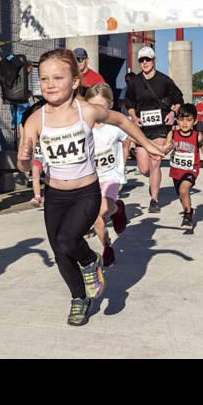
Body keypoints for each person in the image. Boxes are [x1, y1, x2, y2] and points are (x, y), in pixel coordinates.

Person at [17, 49, 165, 326]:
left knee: (67, 241)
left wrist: (147, 144)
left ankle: (90, 261)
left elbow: (122, 120)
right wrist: (24, 158)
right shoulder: (36, 119)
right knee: (60, 252)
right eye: (44, 78)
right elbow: (24, 166)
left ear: (74, 82)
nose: (50, 84)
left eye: (57, 78)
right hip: (55, 195)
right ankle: (78, 298)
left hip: (85, 192)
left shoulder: (86, 111)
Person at [124, 46, 183, 214]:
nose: (144, 63)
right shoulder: (134, 82)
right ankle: (154, 178)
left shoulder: (164, 81)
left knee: (155, 160)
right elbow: (129, 104)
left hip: (160, 127)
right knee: (144, 168)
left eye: (147, 59)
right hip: (142, 130)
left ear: (154, 60)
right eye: (141, 60)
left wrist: (172, 113)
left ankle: (154, 200)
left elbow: (179, 98)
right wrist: (134, 117)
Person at [84, 83, 130, 268]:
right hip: (91, 179)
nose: (97, 110)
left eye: (101, 106)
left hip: (111, 177)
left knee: (103, 211)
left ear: (109, 105)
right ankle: (107, 246)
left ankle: (116, 209)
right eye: (93, 105)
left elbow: (131, 139)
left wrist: (123, 163)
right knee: (96, 218)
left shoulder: (114, 126)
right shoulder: (84, 127)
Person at [165, 103, 203, 230]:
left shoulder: (197, 136)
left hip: (191, 169)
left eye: (189, 120)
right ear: (177, 120)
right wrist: (160, 152)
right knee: (181, 195)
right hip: (176, 170)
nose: (185, 123)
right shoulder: (172, 134)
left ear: (195, 121)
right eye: (181, 119)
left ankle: (188, 216)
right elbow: (166, 148)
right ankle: (189, 210)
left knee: (184, 190)